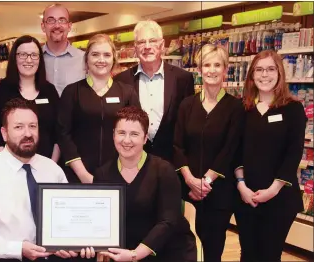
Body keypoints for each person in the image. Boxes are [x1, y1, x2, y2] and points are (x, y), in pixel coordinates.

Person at [0, 98, 94, 262]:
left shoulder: (52, 170)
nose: (28, 133)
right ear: (4, 133)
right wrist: (17, 248)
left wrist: (73, 242)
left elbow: (66, 220)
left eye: (32, 126)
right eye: (18, 127)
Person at [94, 106, 197, 262]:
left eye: (134, 134)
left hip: (168, 250)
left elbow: (168, 221)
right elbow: (101, 221)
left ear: (145, 138)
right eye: (121, 133)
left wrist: (135, 255)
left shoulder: (164, 171)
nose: (126, 140)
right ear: (113, 134)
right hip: (124, 252)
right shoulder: (102, 174)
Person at [234, 50, 307, 261]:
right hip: (246, 197)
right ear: (251, 75)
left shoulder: (293, 109)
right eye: (259, 69)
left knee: (269, 254)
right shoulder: (243, 108)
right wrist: (241, 186)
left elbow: (293, 154)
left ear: (279, 73)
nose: (264, 75)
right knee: (247, 253)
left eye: (270, 69)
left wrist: (273, 190)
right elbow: (235, 151)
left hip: (280, 199)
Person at [173, 44, 244, 262]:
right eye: (206, 65)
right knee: (186, 247)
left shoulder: (235, 106)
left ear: (225, 70)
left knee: (212, 248)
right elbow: (177, 145)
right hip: (187, 190)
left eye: (217, 65)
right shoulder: (187, 105)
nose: (211, 70)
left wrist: (205, 182)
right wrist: (190, 180)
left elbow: (230, 149)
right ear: (199, 69)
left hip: (219, 192)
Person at [57, 34, 140, 184]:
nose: (101, 60)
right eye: (95, 54)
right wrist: (83, 175)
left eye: (107, 55)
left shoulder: (127, 93)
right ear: (87, 59)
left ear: (113, 59)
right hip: (77, 175)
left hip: (118, 174)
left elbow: (136, 132)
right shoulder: (72, 92)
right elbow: (63, 134)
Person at [113, 20, 194, 163]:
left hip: (172, 162)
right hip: (133, 162)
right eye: (142, 42)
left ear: (162, 45)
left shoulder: (183, 79)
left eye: (152, 41)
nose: (147, 47)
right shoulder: (121, 80)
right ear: (135, 47)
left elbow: (187, 125)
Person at [0, 35, 60, 160]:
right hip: (9, 168)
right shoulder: (0, 92)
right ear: (14, 58)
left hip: (47, 167)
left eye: (34, 55)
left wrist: (51, 165)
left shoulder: (50, 91)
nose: (29, 60)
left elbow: (59, 132)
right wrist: (10, 163)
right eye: (23, 55)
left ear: (40, 59)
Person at [41, 3, 86, 95]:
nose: (57, 25)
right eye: (51, 20)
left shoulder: (84, 59)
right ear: (43, 26)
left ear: (69, 26)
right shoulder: (33, 59)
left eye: (62, 20)